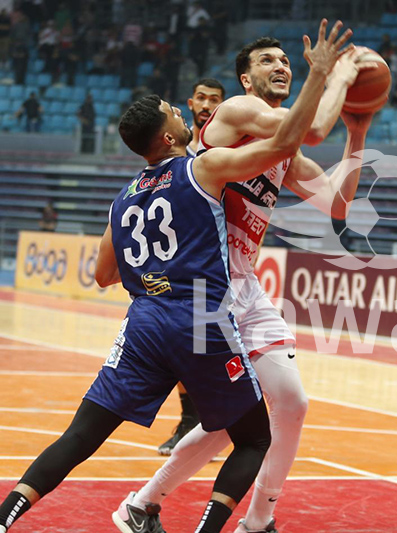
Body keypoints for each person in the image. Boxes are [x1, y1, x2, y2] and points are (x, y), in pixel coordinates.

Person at [0, 22, 345, 533]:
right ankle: (211, 518)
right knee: (253, 436)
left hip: (144, 320)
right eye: (175, 113)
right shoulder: (204, 168)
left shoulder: (123, 197)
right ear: (167, 136)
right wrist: (325, 77)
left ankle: (8, 516)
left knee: (81, 436)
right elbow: (293, 137)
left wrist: (153, 276)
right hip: (202, 311)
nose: (186, 112)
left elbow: (102, 274)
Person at [113, 23, 375, 533]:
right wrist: (339, 76)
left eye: (286, 61)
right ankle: (149, 504)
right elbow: (311, 129)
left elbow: (339, 204)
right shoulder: (235, 112)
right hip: (205, 285)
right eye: (268, 61)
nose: (281, 66)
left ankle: (247, 517)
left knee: (286, 404)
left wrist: (359, 130)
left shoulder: (283, 150)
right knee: (243, 413)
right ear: (246, 80)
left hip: (245, 286)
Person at [156, 78, 226, 456]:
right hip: (180, 263)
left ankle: (224, 426)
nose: (206, 104)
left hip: (217, 264)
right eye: (201, 98)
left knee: (214, 354)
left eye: (214, 99)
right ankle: (190, 420)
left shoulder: (225, 150)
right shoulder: (176, 151)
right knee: (184, 352)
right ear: (191, 102)